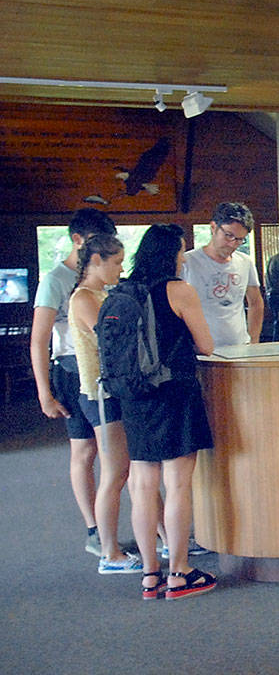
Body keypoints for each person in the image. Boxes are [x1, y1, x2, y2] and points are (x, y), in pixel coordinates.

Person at [122, 224, 217, 600]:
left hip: (135, 397)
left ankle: (150, 575)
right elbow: (206, 345)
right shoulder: (179, 290)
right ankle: (179, 572)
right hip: (174, 393)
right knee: (178, 483)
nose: (183, 256)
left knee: (143, 485)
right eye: (180, 250)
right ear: (170, 254)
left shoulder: (124, 290)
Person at [30, 207, 116, 556]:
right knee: (84, 451)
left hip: (98, 369)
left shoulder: (102, 278)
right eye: (96, 243)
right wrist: (44, 393)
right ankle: (94, 529)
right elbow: (39, 339)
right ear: (77, 240)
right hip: (68, 369)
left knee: (114, 453)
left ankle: (121, 526)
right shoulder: (55, 280)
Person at [67, 234, 140, 575]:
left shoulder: (102, 294)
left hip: (111, 393)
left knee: (131, 468)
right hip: (99, 395)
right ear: (96, 260)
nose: (121, 269)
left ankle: (159, 536)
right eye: (116, 262)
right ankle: (109, 553)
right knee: (115, 473)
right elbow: (112, 339)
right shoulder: (83, 297)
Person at [181, 201, 263, 347]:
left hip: (240, 347)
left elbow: (256, 302)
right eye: (228, 235)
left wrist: (254, 340)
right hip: (200, 349)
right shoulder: (187, 262)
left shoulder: (245, 262)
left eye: (239, 240)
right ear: (213, 228)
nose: (233, 244)